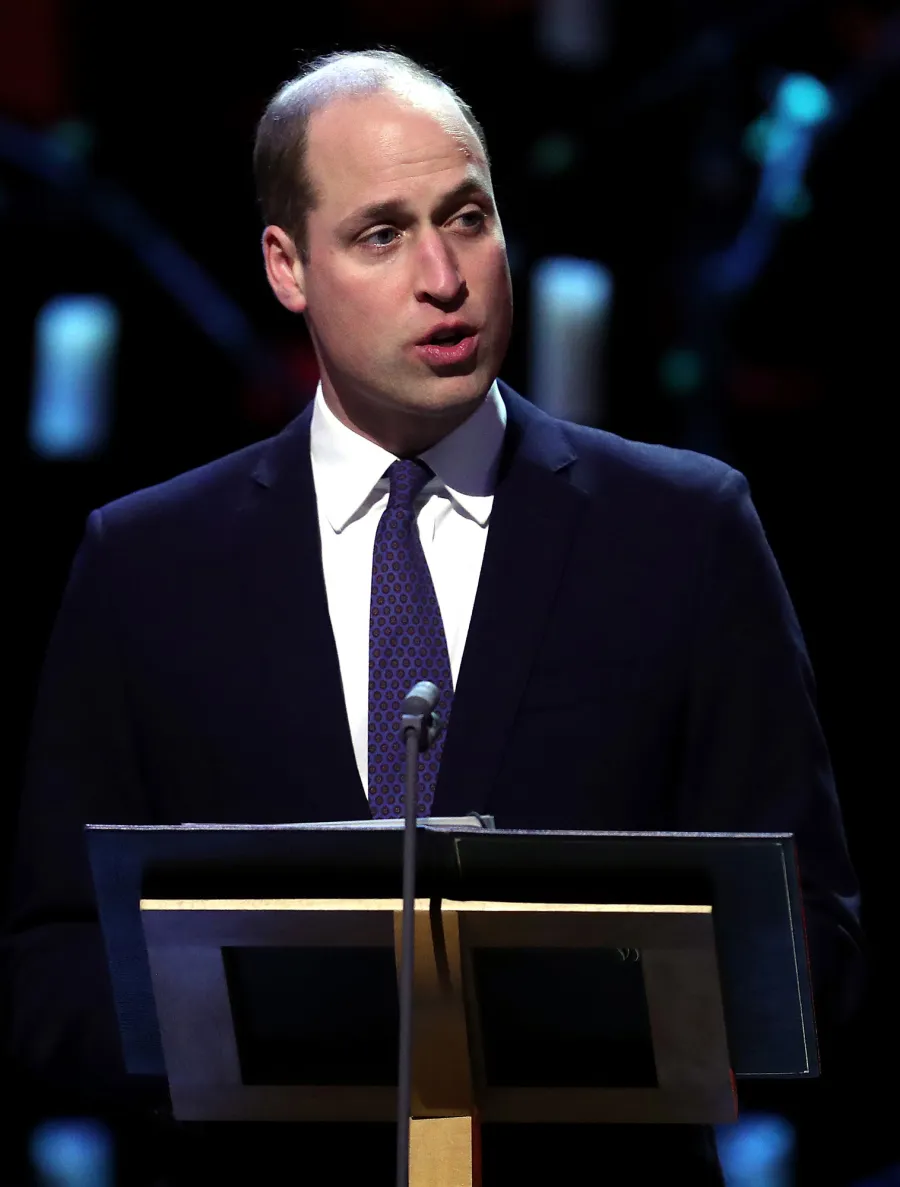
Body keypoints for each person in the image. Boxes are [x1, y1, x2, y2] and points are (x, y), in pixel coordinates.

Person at [3, 49, 862, 1185]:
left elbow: (818, 945)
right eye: (380, 234)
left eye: (467, 217)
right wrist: (270, 1024)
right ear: (287, 266)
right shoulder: (147, 561)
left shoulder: (685, 530)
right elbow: (51, 966)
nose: (444, 276)